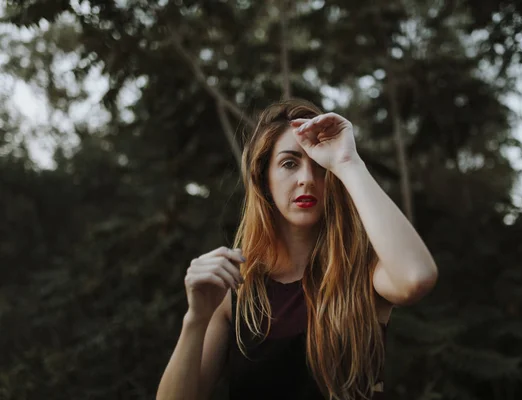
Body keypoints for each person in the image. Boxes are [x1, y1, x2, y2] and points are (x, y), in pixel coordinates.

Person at [156, 99, 438, 400]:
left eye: (319, 166)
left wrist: (347, 162)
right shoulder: (235, 287)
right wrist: (196, 318)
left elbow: (415, 278)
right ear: (263, 179)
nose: (307, 179)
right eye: (290, 163)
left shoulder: (364, 272)